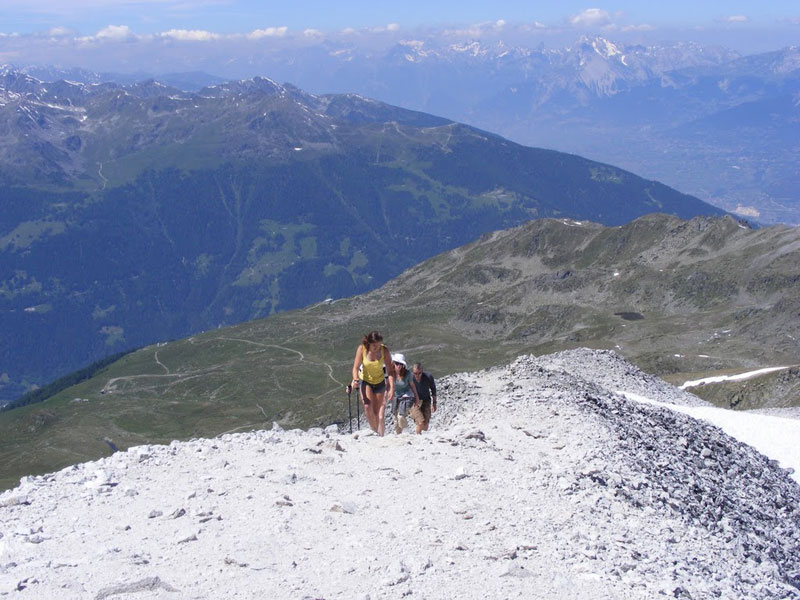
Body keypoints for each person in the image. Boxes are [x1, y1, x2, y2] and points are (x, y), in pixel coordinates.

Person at [350, 331, 394, 436]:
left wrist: (391, 387)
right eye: (374, 345)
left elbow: (390, 371)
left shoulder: (384, 351)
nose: (377, 348)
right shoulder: (362, 349)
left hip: (379, 382)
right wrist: (355, 379)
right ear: (369, 343)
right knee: (367, 406)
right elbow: (356, 367)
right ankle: (374, 433)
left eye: (379, 345)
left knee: (376, 411)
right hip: (366, 381)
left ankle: (376, 432)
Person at [390, 353, 420, 434]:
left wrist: (416, 398)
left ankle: (407, 431)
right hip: (396, 397)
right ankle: (399, 435)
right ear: (393, 363)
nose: (398, 366)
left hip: (407, 396)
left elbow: (413, 386)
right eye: (397, 363)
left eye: (401, 364)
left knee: (401, 416)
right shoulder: (391, 373)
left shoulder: (408, 374)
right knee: (395, 419)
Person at [410, 362, 437, 434]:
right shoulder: (410, 378)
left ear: (422, 371)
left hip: (426, 400)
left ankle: (420, 433)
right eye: (415, 373)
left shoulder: (428, 377)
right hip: (414, 401)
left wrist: (434, 403)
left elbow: (433, 389)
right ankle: (418, 437)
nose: (417, 375)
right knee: (420, 422)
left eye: (419, 373)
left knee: (425, 427)